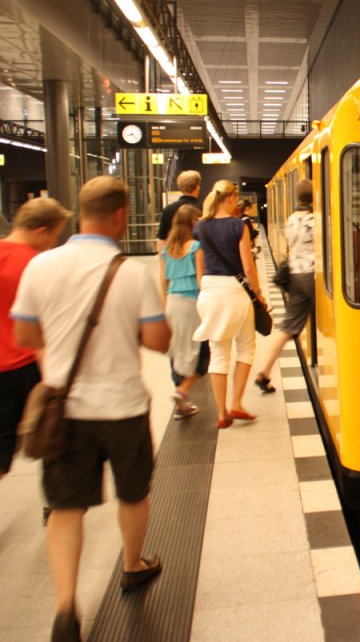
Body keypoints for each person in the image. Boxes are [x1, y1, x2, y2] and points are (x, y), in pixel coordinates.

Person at [11, 176, 170, 641]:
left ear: (79, 213)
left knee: (65, 507)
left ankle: (64, 607)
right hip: (122, 407)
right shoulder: (130, 272)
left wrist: (58, 348)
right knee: (133, 493)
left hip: (66, 411)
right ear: (120, 216)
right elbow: (158, 341)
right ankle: (132, 565)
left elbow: (23, 336)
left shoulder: (42, 266)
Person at [0, 197, 69, 482]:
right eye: (54, 235)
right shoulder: (37, 264)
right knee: (51, 433)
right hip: (27, 365)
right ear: (42, 230)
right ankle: (55, 502)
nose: (53, 242)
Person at [193, 179, 263, 429]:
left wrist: (203, 282)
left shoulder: (200, 226)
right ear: (232, 198)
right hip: (235, 292)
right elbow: (247, 266)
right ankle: (237, 403)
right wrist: (259, 293)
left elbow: (199, 258)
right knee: (245, 347)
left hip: (210, 292)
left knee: (218, 353)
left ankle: (222, 414)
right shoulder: (237, 225)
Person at [253, 180, 314, 393]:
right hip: (313, 275)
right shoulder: (315, 219)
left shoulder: (291, 219)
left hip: (295, 275)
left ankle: (264, 372)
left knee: (287, 327)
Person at [160, 204, 204, 419]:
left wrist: (163, 305)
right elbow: (199, 280)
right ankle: (182, 390)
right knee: (198, 350)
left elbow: (163, 280)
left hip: (172, 302)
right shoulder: (196, 247)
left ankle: (182, 404)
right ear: (192, 224)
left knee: (177, 349)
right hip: (191, 303)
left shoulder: (166, 249)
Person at [155, 169, 201, 252]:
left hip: (173, 256)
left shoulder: (168, 210)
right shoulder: (201, 210)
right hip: (197, 257)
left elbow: (162, 240)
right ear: (197, 187)